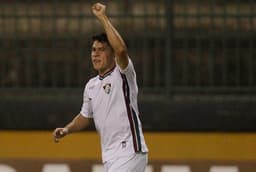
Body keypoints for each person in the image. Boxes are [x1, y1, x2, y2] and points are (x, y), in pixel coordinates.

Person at [53, 2, 148, 172]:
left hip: (130, 151)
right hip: (110, 157)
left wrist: (103, 18)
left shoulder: (123, 74)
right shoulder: (91, 86)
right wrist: (67, 129)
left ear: (111, 54)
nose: (95, 53)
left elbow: (121, 51)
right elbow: (85, 116)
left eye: (101, 49)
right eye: (93, 50)